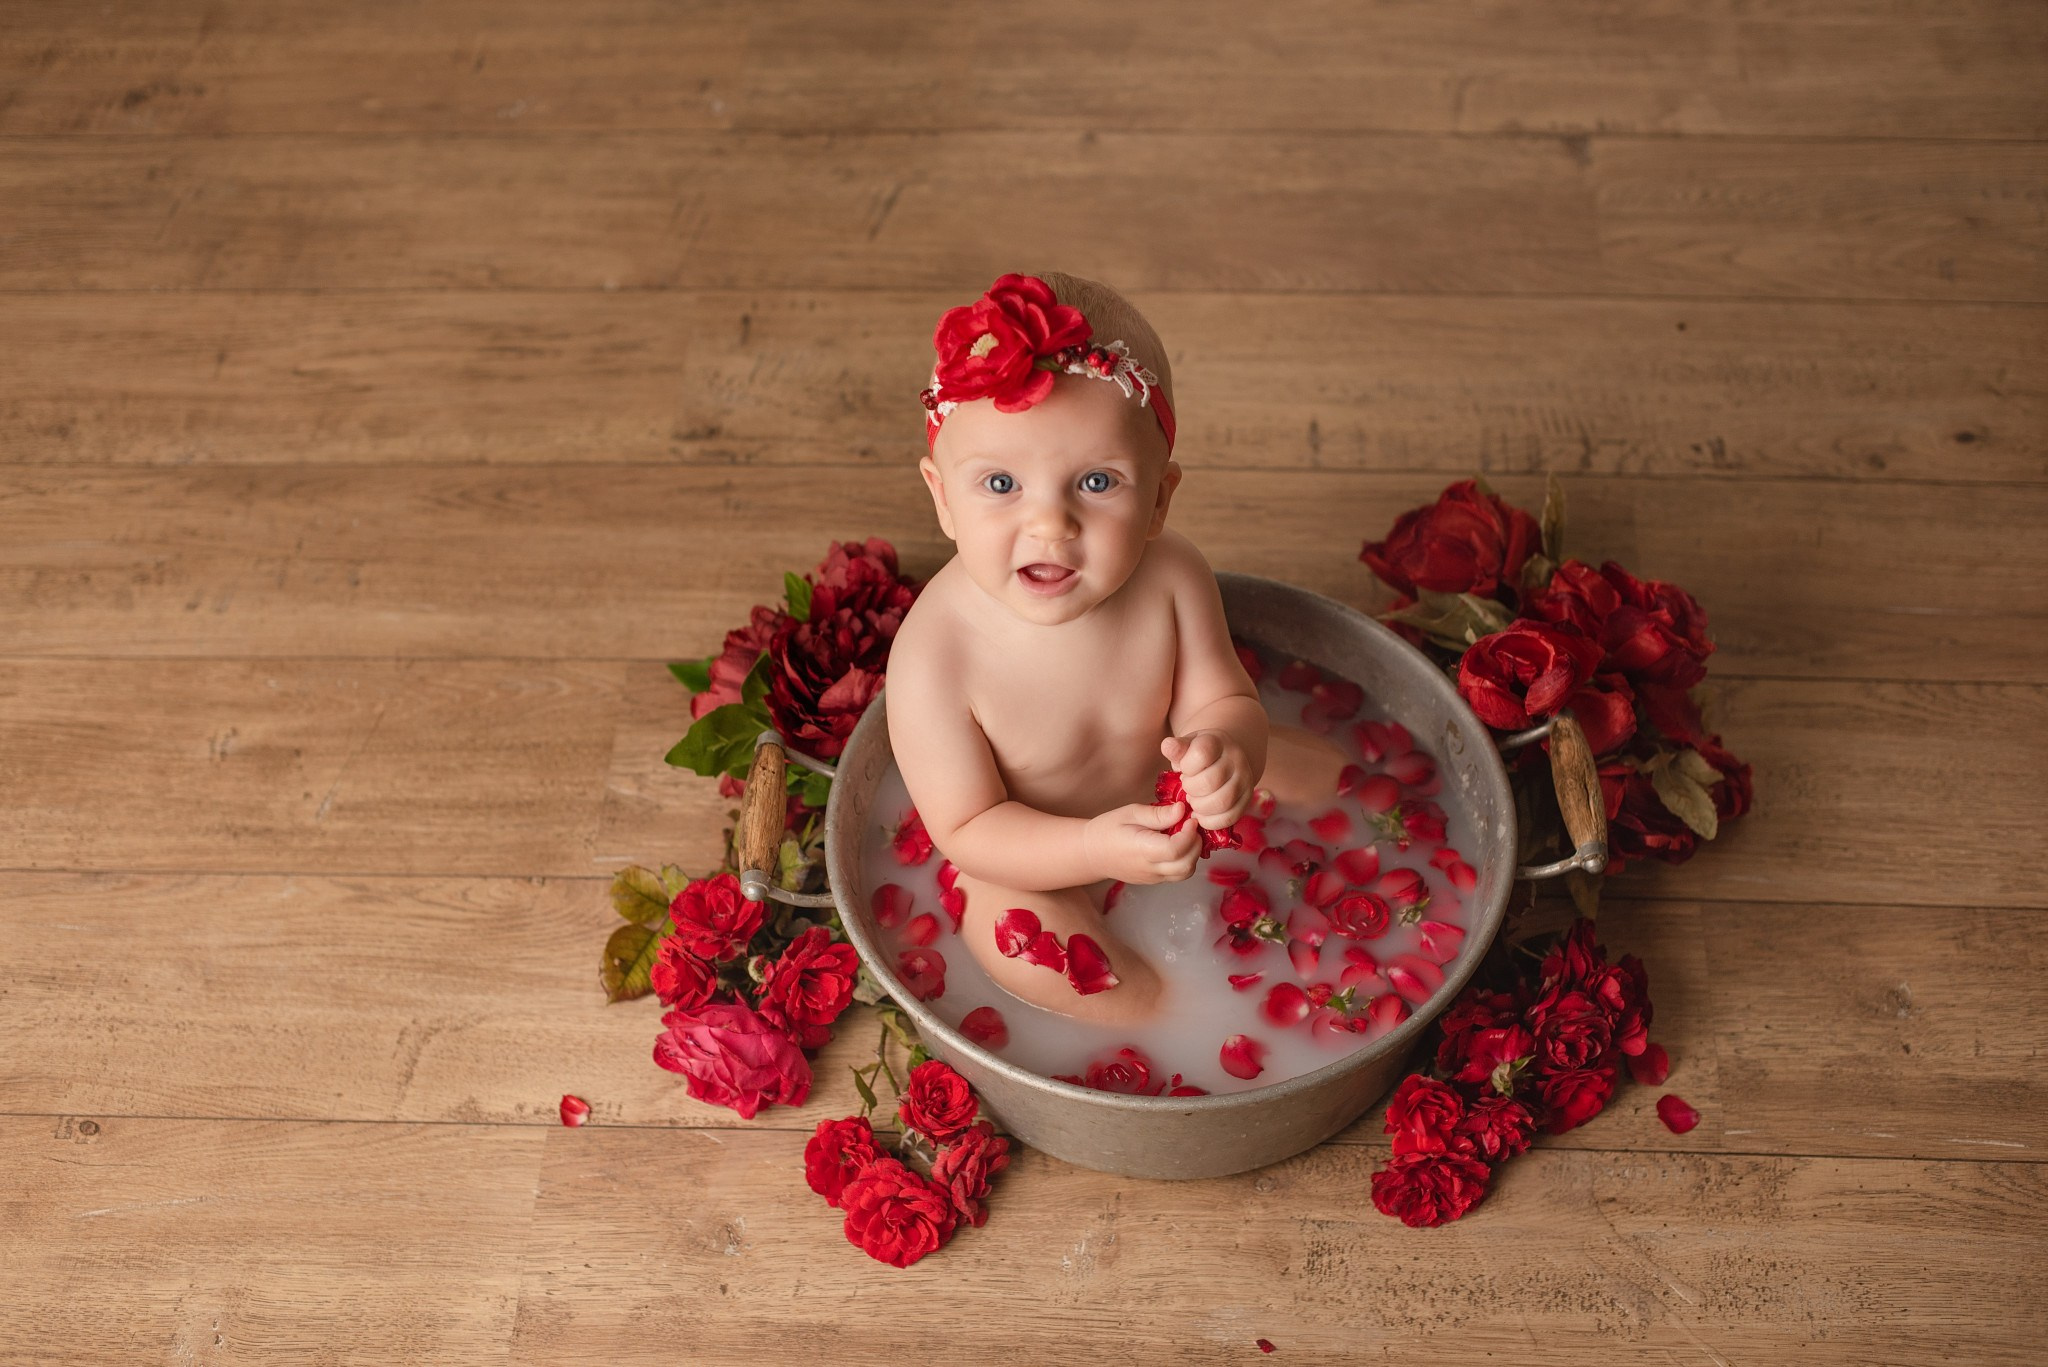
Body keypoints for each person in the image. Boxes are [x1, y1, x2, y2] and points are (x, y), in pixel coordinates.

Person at [885, 272, 1342, 1024]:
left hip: (1165, 800)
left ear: (1159, 499)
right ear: (942, 498)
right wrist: (1093, 849)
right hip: (1025, 859)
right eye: (1000, 483)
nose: (1050, 525)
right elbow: (969, 831)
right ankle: (1171, 1015)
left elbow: (1223, 699)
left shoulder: (1171, 577)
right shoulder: (934, 654)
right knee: (1035, 951)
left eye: (1097, 482)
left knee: (1330, 774)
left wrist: (1227, 751)